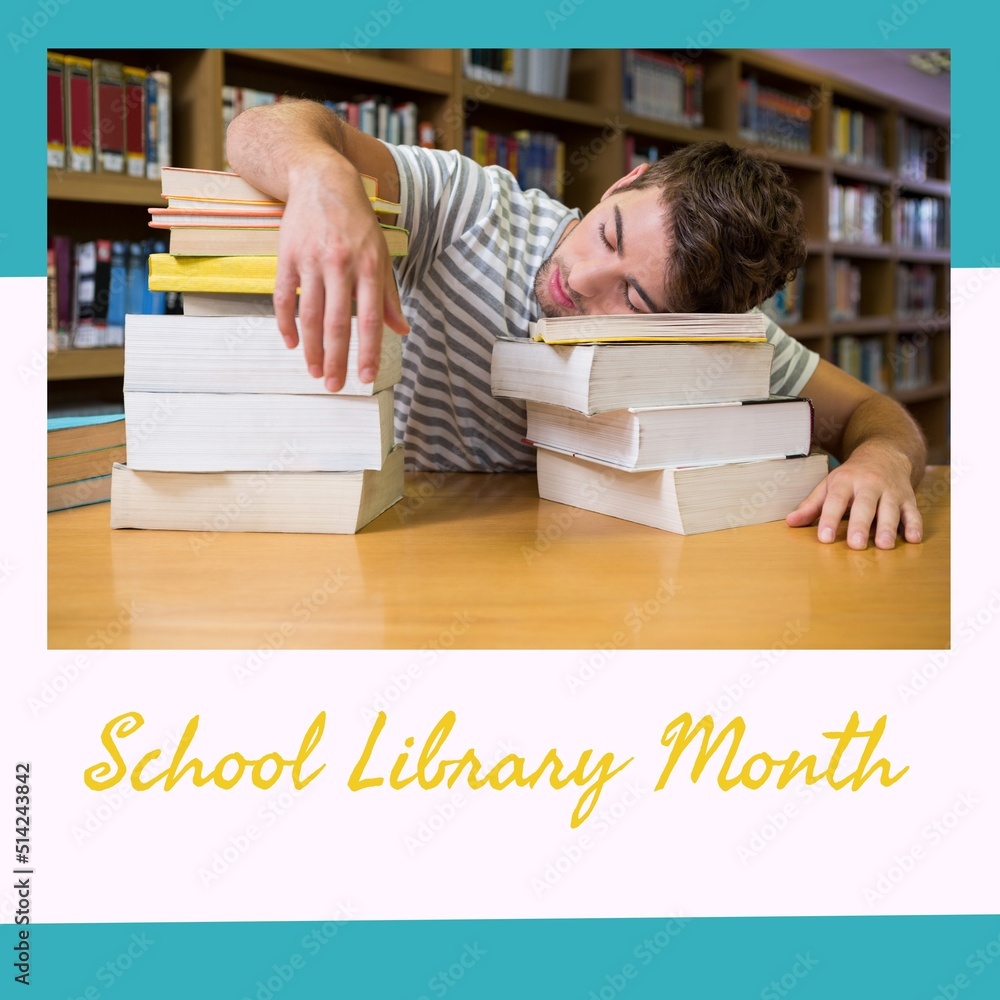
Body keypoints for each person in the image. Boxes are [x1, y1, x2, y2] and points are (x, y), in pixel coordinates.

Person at [225, 98, 927, 551]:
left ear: (692, 329)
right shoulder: (474, 210)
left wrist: (882, 460)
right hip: (397, 536)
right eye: (611, 234)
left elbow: (873, 413)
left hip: (575, 570)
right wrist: (325, 178)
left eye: (636, 300)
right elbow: (260, 125)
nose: (580, 278)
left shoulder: (723, 340)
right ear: (625, 183)